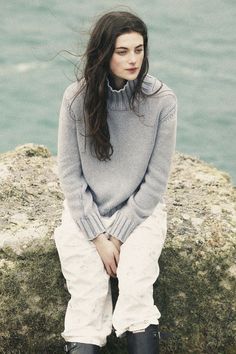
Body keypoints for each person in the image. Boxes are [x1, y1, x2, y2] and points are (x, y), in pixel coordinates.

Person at [53, 10, 177, 354]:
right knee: (88, 300)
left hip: (140, 212)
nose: (133, 59)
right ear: (105, 52)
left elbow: (156, 180)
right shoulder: (75, 99)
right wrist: (97, 236)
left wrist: (119, 234)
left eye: (139, 49)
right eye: (122, 51)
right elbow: (70, 174)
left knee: (136, 289)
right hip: (86, 211)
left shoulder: (162, 100)